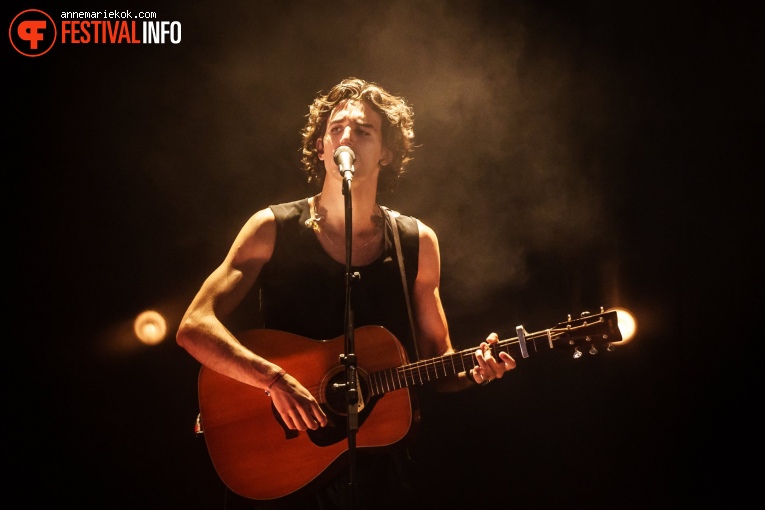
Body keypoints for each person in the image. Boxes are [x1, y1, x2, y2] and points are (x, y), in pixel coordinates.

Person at [176, 77, 516, 509]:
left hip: (379, 471)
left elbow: (442, 366)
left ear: (387, 153)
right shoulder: (271, 228)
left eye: (363, 130)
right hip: (283, 460)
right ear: (320, 148)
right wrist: (273, 379)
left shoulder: (416, 242)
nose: (346, 137)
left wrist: (477, 371)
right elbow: (194, 326)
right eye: (336, 129)